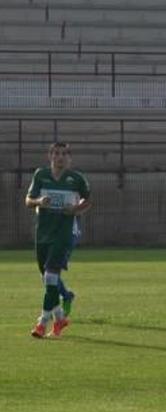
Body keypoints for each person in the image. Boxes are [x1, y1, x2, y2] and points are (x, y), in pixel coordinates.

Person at [24, 142, 91, 338]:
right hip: (44, 233)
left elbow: (87, 201)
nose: (60, 157)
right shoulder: (40, 175)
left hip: (64, 233)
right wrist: (39, 202)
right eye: (56, 153)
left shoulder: (76, 178)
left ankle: (42, 323)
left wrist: (75, 209)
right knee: (47, 279)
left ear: (69, 158)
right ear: (50, 156)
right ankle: (60, 317)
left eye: (64, 154)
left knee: (51, 276)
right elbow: (28, 200)